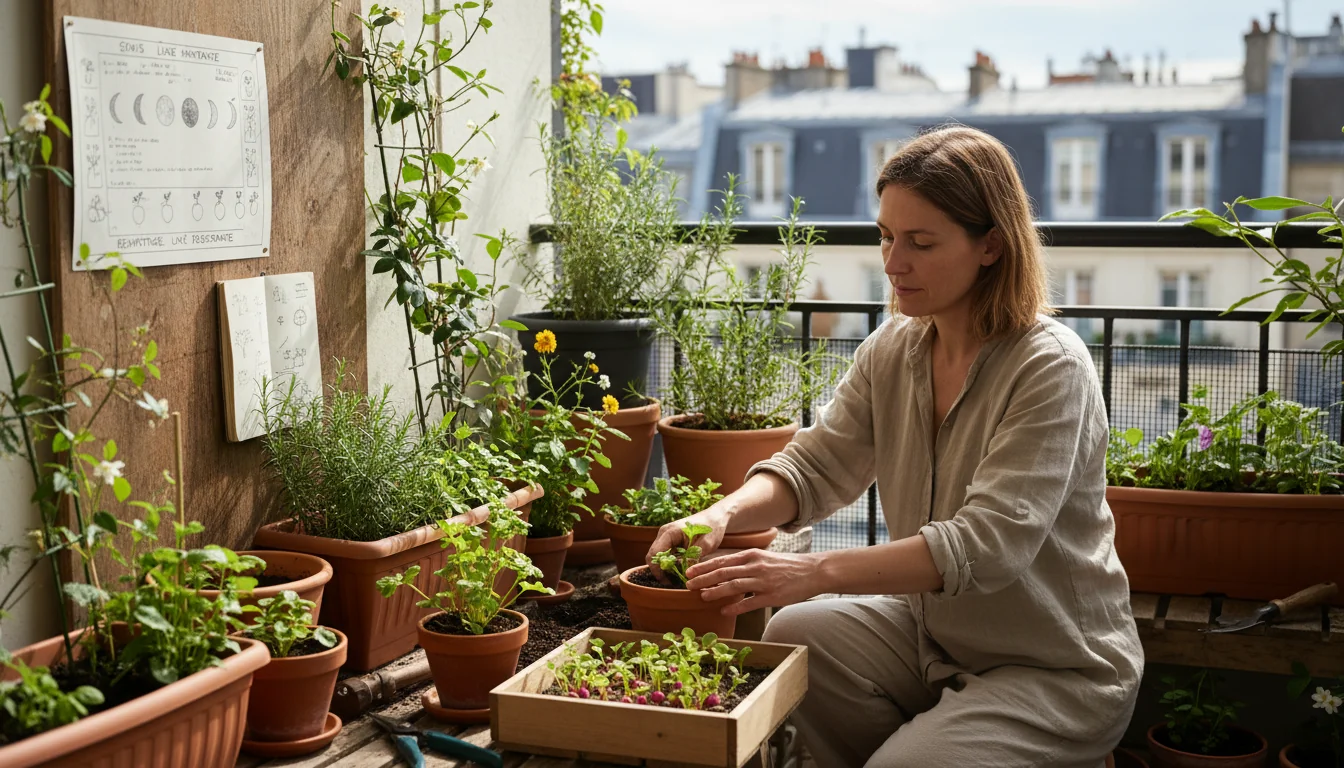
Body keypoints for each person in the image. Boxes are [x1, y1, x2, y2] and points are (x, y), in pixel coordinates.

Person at [646, 124, 1143, 768]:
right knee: (797, 633)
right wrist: (718, 515)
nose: (891, 261)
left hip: (1054, 669)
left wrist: (810, 572)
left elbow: (986, 546)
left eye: (920, 241)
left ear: (991, 245)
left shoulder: (1050, 367)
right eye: (884, 235)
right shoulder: (897, 348)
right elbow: (814, 466)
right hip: (935, 636)